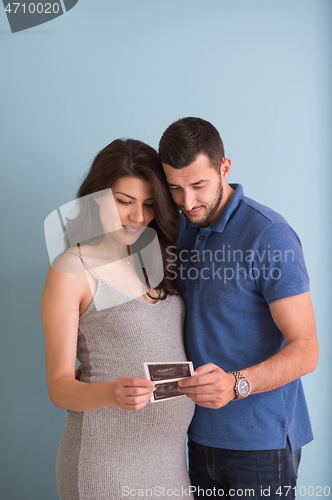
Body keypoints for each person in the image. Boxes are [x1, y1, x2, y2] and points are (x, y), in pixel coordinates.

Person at [158, 117, 319, 499]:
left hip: (261, 444)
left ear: (224, 167)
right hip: (197, 435)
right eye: (176, 189)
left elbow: (306, 349)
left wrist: (236, 384)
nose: (188, 202)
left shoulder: (269, 234)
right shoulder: (179, 229)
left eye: (199, 185)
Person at [41, 139, 195, 500]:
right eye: (124, 202)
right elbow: (58, 385)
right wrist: (112, 392)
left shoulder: (156, 258)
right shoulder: (73, 268)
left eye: (149, 205)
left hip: (170, 462)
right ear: (95, 198)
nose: (138, 217)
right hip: (105, 463)